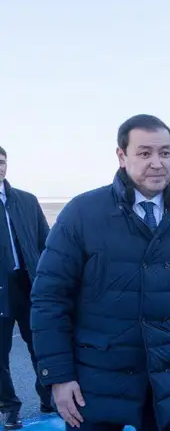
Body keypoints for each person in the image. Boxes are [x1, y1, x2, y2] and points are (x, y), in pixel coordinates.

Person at [31, 115, 170, 431]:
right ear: (121, 155)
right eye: (145, 153)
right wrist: (59, 377)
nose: (157, 163)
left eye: (165, 153)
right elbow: (49, 298)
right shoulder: (82, 213)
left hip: (169, 383)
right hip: (97, 382)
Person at [0, 146, 53, 430]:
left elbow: (46, 244)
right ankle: (9, 407)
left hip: (29, 285)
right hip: (0, 288)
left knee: (41, 345)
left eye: (2, 162)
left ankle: (49, 397)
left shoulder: (27, 201)